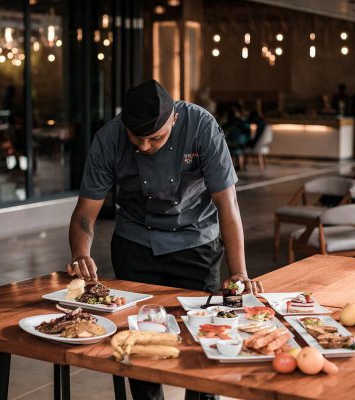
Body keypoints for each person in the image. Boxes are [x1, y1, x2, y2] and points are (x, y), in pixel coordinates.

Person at [66, 79, 263, 400]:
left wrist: (238, 271)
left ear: (174, 119)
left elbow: (227, 206)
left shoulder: (202, 127)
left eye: (155, 138)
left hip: (196, 241)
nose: (145, 146)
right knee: (140, 339)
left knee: (201, 336)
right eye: (137, 139)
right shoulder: (109, 138)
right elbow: (85, 212)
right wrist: (80, 252)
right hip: (135, 243)